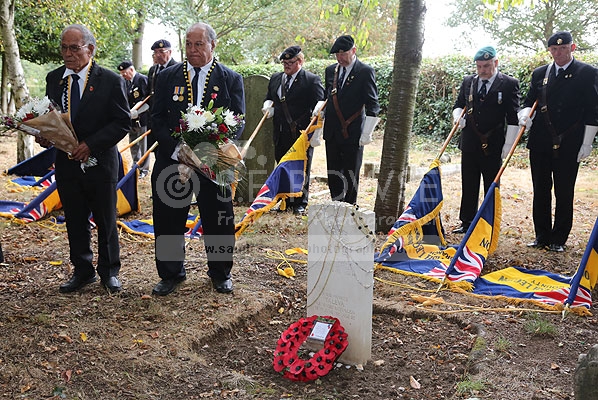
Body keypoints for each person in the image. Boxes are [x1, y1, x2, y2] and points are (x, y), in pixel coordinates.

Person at [150, 22, 245, 296]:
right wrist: (176, 150)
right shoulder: (167, 77)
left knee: (218, 219)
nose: (192, 50)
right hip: (173, 160)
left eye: (199, 44)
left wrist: (212, 148)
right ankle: (170, 273)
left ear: (213, 45)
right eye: (189, 44)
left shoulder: (230, 78)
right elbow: (156, 118)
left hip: (213, 160)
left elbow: (238, 120)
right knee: (168, 218)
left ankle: (220, 273)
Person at [40, 24, 130, 293]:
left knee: (105, 219)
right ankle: (82, 270)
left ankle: (109, 272)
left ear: (90, 49)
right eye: (64, 48)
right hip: (66, 163)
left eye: (74, 48)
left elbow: (122, 123)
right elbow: (50, 117)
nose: (68, 54)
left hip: (100, 162)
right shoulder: (54, 78)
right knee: (75, 218)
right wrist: (45, 136)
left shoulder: (110, 80)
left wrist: (90, 145)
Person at [519, 31, 598, 252]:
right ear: (549, 50)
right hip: (540, 141)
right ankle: (541, 235)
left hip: (569, 141)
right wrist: (524, 115)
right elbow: (528, 101)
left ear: (572, 48)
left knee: (564, 191)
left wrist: (587, 142)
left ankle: (559, 238)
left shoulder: (587, 72)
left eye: (563, 48)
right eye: (554, 49)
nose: (559, 53)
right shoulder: (540, 73)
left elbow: (593, 110)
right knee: (540, 189)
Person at [451, 46, 520, 234]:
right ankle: (467, 222)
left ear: (495, 63)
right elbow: (459, 104)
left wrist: (508, 145)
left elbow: (513, 117)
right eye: (479, 66)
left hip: (494, 143)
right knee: (469, 183)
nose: (482, 70)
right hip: (470, 141)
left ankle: (489, 222)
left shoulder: (508, 84)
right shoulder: (468, 81)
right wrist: (457, 117)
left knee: (491, 185)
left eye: (487, 66)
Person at [262, 45, 324, 215]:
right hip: (280, 131)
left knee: (300, 167)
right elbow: (270, 97)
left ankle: (300, 202)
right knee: (282, 165)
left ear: (300, 61)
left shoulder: (311, 80)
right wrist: (267, 106)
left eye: (290, 62)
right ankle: (284, 200)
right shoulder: (276, 78)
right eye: (284, 63)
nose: (287, 66)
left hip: (301, 133)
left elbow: (320, 105)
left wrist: (315, 131)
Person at [322, 35, 380, 204]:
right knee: (333, 171)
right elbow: (327, 97)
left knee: (351, 172)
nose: (340, 58)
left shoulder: (364, 71)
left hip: (352, 130)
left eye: (343, 53)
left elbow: (373, 103)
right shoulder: (330, 71)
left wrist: (367, 132)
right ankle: (336, 204)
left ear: (353, 51)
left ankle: (349, 205)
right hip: (332, 130)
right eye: (337, 54)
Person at [118, 60, 151, 178]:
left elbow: (147, 99)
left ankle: (144, 169)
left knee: (143, 144)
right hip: (130, 118)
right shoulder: (126, 82)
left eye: (125, 73)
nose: (123, 76)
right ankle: (136, 165)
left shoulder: (141, 79)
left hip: (142, 117)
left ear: (131, 70)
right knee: (133, 143)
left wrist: (138, 111)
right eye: (122, 74)